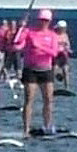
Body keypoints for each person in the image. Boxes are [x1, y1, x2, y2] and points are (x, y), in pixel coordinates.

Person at [13, 8, 61, 136]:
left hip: (46, 70)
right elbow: (18, 43)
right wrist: (20, 28)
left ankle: (47, 126)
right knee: (29, 99)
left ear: (49, 21)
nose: (43, 23)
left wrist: (39, 46)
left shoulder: (52, 36)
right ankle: (26, 129)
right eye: (41, 20)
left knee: (48, 99)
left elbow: (54, 52)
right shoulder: (30, 33)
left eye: (45, 20)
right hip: (31, 70)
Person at [54, 20, 72, 90]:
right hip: (56, 55)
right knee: (54, 71)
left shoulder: (65, 35)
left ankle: (67, 87)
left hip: (64, 56)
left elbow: (68, 44)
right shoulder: (54, 35)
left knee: (65, 71)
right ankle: (52, 87)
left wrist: (68, 49)